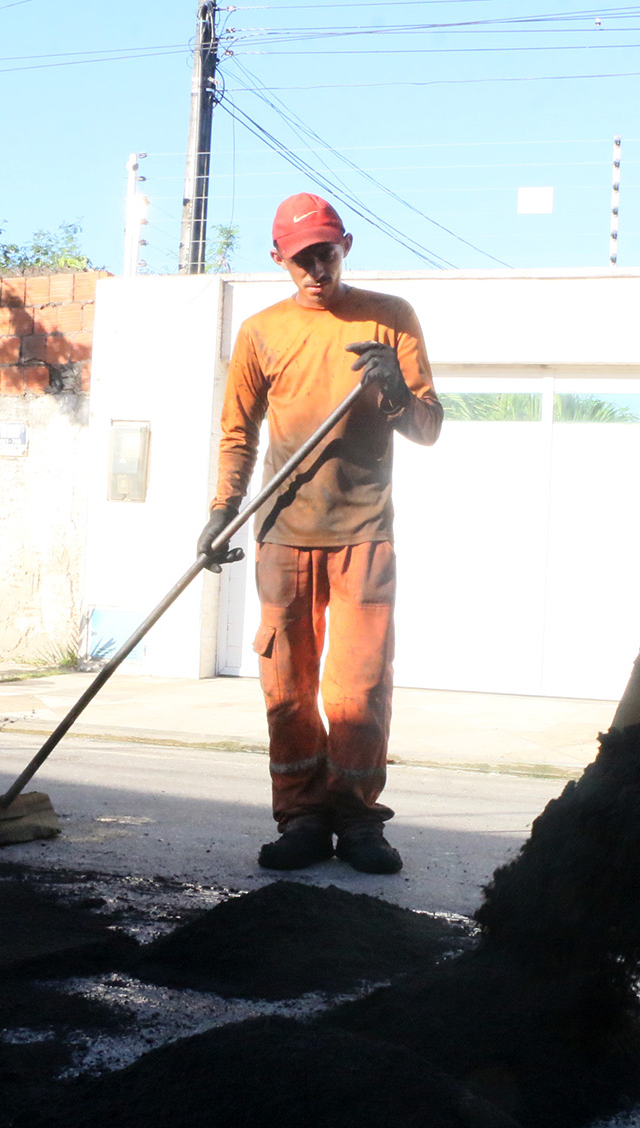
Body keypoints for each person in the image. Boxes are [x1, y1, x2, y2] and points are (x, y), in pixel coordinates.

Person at [198, 192, 442, 875]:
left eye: (326, 251)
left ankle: (359, 820)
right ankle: (302, 818)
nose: (316, 265)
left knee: (359, 691)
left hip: (365, 535)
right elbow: (237, 432)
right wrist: (222, 509)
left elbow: (427, 428)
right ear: (278, 257)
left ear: (346, 246)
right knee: (288, 687)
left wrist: (393, 387)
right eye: (302, 255)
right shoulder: (261, 332)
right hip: (282, 534)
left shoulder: (390, 320)